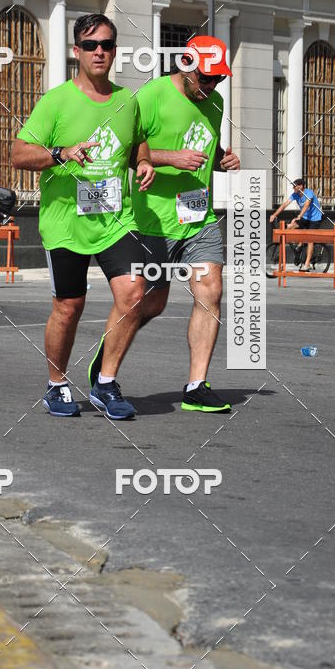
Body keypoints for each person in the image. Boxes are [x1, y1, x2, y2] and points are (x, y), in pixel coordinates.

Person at [12, 13, 155, 420]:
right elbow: (18, 153)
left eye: (106, 45)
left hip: (115, 220)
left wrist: (143, 163)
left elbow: (137, 143)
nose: (99, 52)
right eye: (90, 45)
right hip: (65, 223)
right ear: (76, 51)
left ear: (114, 50)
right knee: (69, 306)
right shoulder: (56, 101)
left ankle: (106, 383)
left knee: (133, 293)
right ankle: (56, 384)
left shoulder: (128, 101)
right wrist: (60, 153)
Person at [89, 35, 240, 413]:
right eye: (206, 78)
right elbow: (117, 150)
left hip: (197, 216)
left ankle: (196, 386)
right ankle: (108, 355)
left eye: (218, 80)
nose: (211, 87)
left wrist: (221, 161)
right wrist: (169, 158)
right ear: (186, 65)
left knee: (211, 289)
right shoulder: (151, 96)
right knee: (150, 304)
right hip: (151, 219)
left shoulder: (215, 103)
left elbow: (206, 148)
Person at [269, 179, 323, 271]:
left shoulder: (308, 193)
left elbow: (306, 205)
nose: (293, 187)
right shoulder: (295, 195)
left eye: (295, 186)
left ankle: (307, 264)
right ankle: (296, 247)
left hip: (315, 219)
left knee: (310, 239)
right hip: (305, 217)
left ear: (301, 186)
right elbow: (284, 205)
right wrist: (274, 215)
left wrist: (299, 216)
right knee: (289, 227)